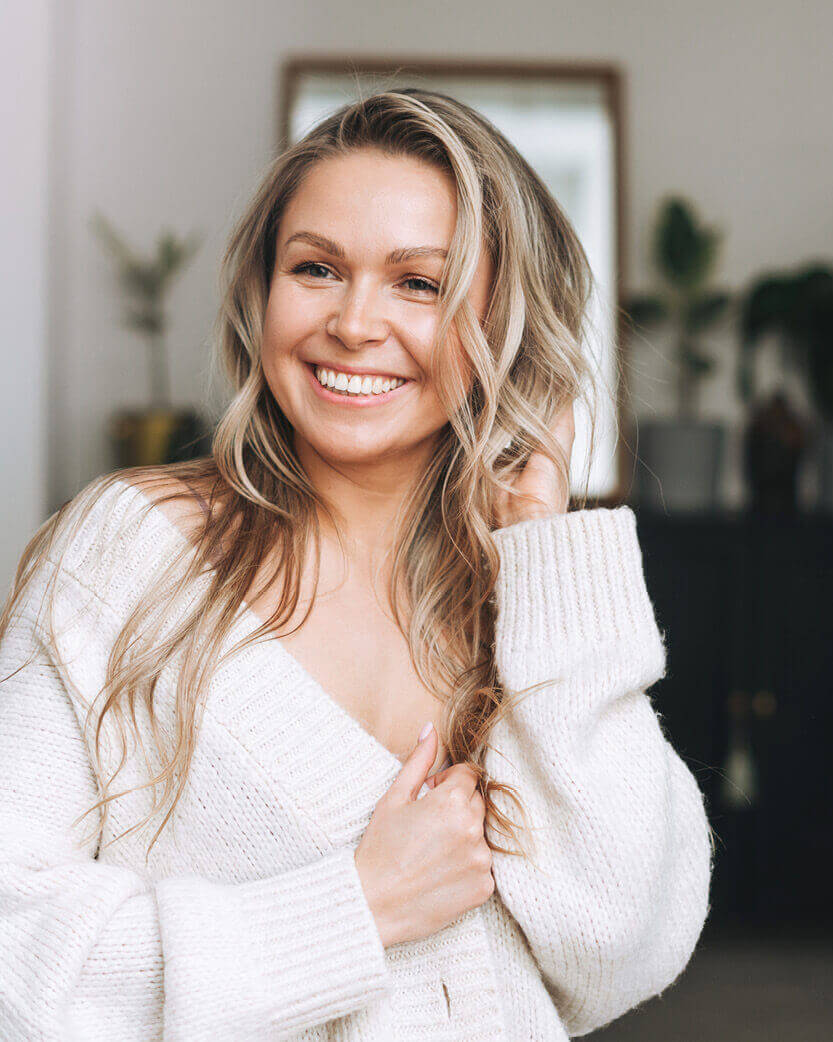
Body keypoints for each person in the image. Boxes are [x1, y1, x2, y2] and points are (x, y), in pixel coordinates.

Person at [0, 88, 714, 1041]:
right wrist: (358, 908)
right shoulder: (131, 554)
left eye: (418, 282)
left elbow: (621, 947)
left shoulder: (527, 593)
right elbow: (15, 953)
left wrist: (548, 549)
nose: (353, 322)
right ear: (263, 291)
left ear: (500, 322)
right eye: (316, 268)